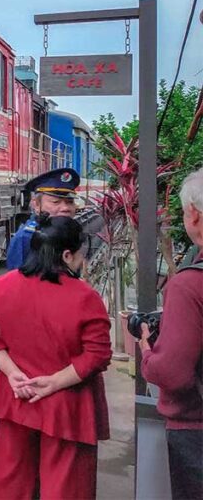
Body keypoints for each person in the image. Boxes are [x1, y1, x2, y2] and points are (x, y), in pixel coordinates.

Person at [0, 214, 111, 500]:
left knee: (10, 481)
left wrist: (12, 372)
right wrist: (54, 382)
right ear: (66, 255)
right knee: (65, 486)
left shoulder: (2, 285)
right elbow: (98, 355)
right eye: (79, 254)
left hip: (17, 398)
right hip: (67, 407)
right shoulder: (85, 297)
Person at [140, 167, 203, 499]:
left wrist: (147, 352)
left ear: (193, 215)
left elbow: (173, 374)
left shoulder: (189, 285)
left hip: (195, 432)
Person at [5, 167, 79, 270]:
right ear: (36, 204)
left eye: (70, 202)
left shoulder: (71, 232)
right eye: (56, 202)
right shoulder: (25, 238)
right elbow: (16, 282)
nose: (65, 208)